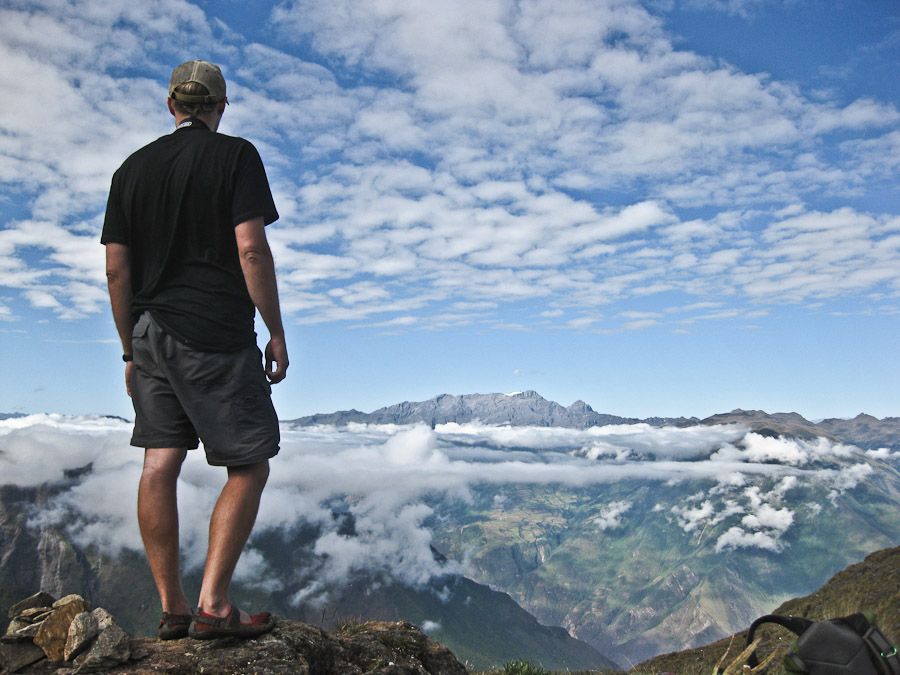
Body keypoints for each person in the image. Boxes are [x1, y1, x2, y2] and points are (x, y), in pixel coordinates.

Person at [101, 60, 288, 640]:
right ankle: (214, 605)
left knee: (159, 463)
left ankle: (173, 608)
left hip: (148, 334)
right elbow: (251, 249)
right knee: (249, 464)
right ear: (220, 108)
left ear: (171, 105)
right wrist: (275, 330)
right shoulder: (236, 156)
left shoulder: (130, 170)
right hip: (214, 334)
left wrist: (129, 351)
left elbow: (116, 270)